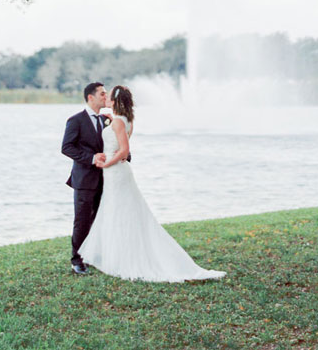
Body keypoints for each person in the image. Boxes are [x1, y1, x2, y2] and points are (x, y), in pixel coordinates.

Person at [78, 85, 225, 282]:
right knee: (118, 212)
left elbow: (123, 151)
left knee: (120, 212)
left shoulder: (118, 123)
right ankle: (117, 256)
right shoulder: (124, 120)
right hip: (115, 172)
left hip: (116, 171)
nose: (106, 98)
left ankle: (124, 259)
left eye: (109, 96)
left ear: (115, 101)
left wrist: (107, 163)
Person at [61, 81, 111, 274]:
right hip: (84, 180)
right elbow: (67, 147)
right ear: (91, 97)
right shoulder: (76, 120)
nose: (106, 98)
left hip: (105, 179)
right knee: (82, 220)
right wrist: (91, 158)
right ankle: (77, 260)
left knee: (98, 219)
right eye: (103, 94)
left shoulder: (106, 120)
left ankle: (92, 255)